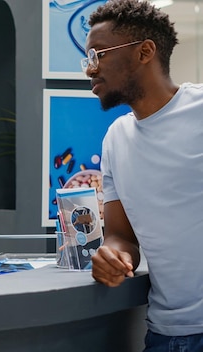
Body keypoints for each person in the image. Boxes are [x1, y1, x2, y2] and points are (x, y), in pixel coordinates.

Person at [84, 1, 203, 350]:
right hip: (165, 333)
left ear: (145, 52)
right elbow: (122, 236)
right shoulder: (115, 139)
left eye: (99, 55)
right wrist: (113, 255)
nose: (90, 70)